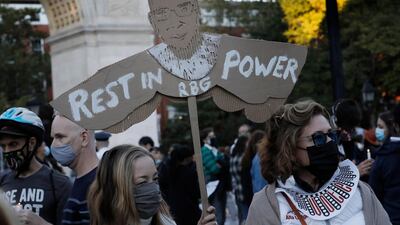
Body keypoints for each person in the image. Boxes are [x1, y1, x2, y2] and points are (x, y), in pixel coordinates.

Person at [246, 99, 391, 225]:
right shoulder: (266, 205)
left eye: (331, 135)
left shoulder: (361, 191)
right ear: (289, 147)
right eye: (318, 138)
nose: (329, 142)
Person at [87, 144, 217, 225]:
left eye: (155, 179)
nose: (153, 188)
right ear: (118, 187)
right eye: (142, 182)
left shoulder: (165, 220)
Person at [0, 107, 72, 225]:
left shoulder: (59, 183)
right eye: (3, 146)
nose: (7, 151)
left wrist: (40, 223)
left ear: (32, 143)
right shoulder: (2, 180)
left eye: (13, 144)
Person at [148, 0, 220, 80]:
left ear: (196, 10)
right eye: (162, 14)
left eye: (184, 9)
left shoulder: (223, 49)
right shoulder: (148, 65)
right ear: (152, 22)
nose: (175, 23)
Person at [50, 114, 99, 225]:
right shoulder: (84, 181)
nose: (53, 145)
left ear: (84, 138)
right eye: (53, 138)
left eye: (60, 137)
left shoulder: (99, 185)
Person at [369, 111, 400, 224]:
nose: (377, 130)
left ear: (392, 128)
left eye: (381, 127)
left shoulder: (383, 158)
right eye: (377, 126)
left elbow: (375, 194)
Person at [158, 144, 201, 225]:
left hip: (172, 209)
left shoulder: (165, 168)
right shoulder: (189, 172)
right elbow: (196, 192)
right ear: (186, 158)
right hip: (189, 210)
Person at [332, 99, 373, 180]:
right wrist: (355, 172)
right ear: (336, 124)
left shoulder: (349, 142)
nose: (349, 135)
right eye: (347, 129)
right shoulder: (330, 145)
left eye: (352, 129)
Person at [201, 127, 230, 225]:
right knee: (217, 212)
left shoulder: (215, 149)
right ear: (204, 139)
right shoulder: (204, 150)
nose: (213, 138)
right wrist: (221, 163)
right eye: (210, 137)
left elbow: (225, 163)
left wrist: (221, 163)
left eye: (214, 136)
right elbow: (215, 168)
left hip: (221, 184)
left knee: (222, 211)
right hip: (213, 185)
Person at [229, 135, 252, 224]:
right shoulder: (244, 158)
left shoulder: (233, 158)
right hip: (246, 191)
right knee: (249, 217)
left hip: (237, 191)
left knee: (243, 216)